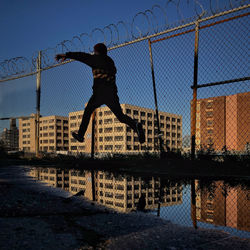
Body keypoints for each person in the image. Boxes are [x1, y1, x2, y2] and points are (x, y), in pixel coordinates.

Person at [55, 43, 145, 144]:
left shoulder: (96, 59)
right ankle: (135, 124)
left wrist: (66, 55)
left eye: (94, 51)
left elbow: (82, 56)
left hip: (100, 92)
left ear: (97, 52)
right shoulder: (110, 61)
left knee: (88, 111)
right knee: (120, 116)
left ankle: (80, 135)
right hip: (112, 93)